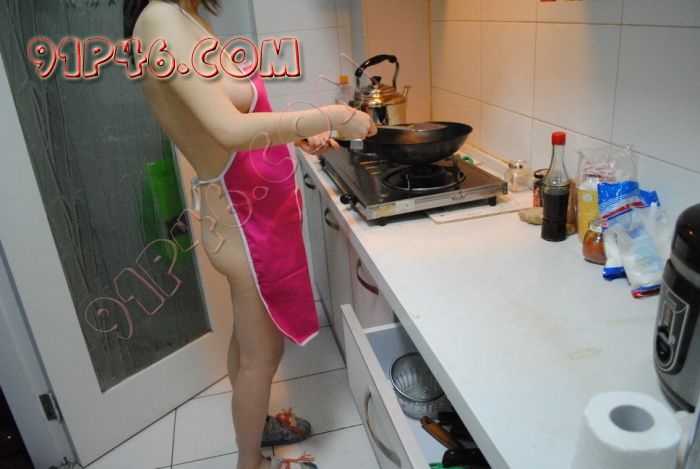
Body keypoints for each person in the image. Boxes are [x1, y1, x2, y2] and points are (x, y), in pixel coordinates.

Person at [123, 1, 376, 468]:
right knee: (262, 353)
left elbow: (229, 115)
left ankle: (254, 425)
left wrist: (294, 135)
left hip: (251, 218)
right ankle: (250, 461)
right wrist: (333, 115)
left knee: (246, 345)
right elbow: (228, 130)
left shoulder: (185, 17)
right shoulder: (160, 19)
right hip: (242, 227)